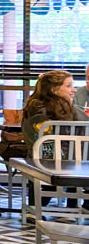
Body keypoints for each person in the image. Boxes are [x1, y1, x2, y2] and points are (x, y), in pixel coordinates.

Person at [21, 70, 89, 210]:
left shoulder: (32, 109)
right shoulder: (68, 111)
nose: (74, 90)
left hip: (41, 161)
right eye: (69, 86)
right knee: (78, 155)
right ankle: (77, 205)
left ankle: (35, 207)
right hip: (74, 163)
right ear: (54, 89)